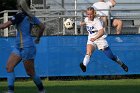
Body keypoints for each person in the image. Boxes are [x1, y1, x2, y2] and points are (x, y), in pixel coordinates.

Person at [0, 0, 46, 93]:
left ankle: (42, 90)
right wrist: (38, 38)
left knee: (30, 72)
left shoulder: (19, 16)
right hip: (19, 47)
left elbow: (3, 26)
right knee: (9, 67)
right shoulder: (31, 16)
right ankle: (10, 91)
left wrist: (38, 38)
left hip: (26, 47)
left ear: (19, 6)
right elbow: (42, 26)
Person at [79, 7, 128, 72]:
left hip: (100, 39)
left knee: (111, 56)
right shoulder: (86, 19)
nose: (89, 16)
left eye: (91, 14)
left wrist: (95, 38)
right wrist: (82, 23)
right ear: (86, 14)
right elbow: (87, 22)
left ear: (94, 13)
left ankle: (121, 64)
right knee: (88, 52)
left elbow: (101, 32)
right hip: (91, 39)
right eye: (88, 14)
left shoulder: (97, 21)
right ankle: (84, 65)